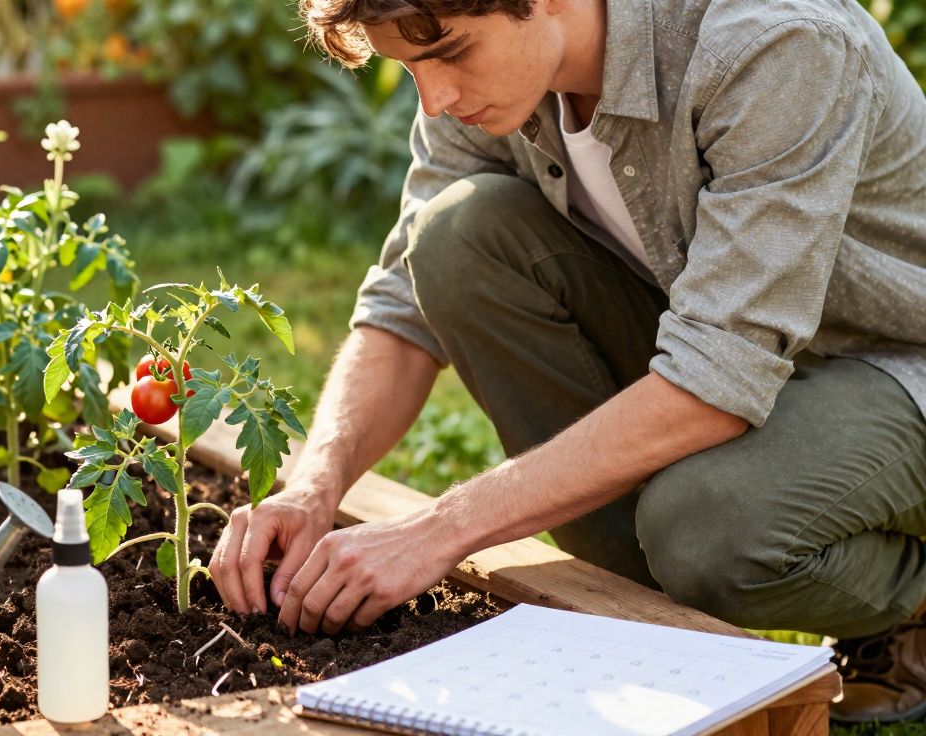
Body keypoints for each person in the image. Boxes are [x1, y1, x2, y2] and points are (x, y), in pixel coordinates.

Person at [207, 0, 926, 723]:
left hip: (895, 359)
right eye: (410, 68)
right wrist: (313, 486)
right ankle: (650, 618)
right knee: (456, 236)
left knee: (710, 529)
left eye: (452, 53)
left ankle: (910, 604)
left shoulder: (773, 44)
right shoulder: (492, 72)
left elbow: (719, 376)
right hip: (743, 352)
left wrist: (438, 529)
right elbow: (403, 303)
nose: (436, 98)